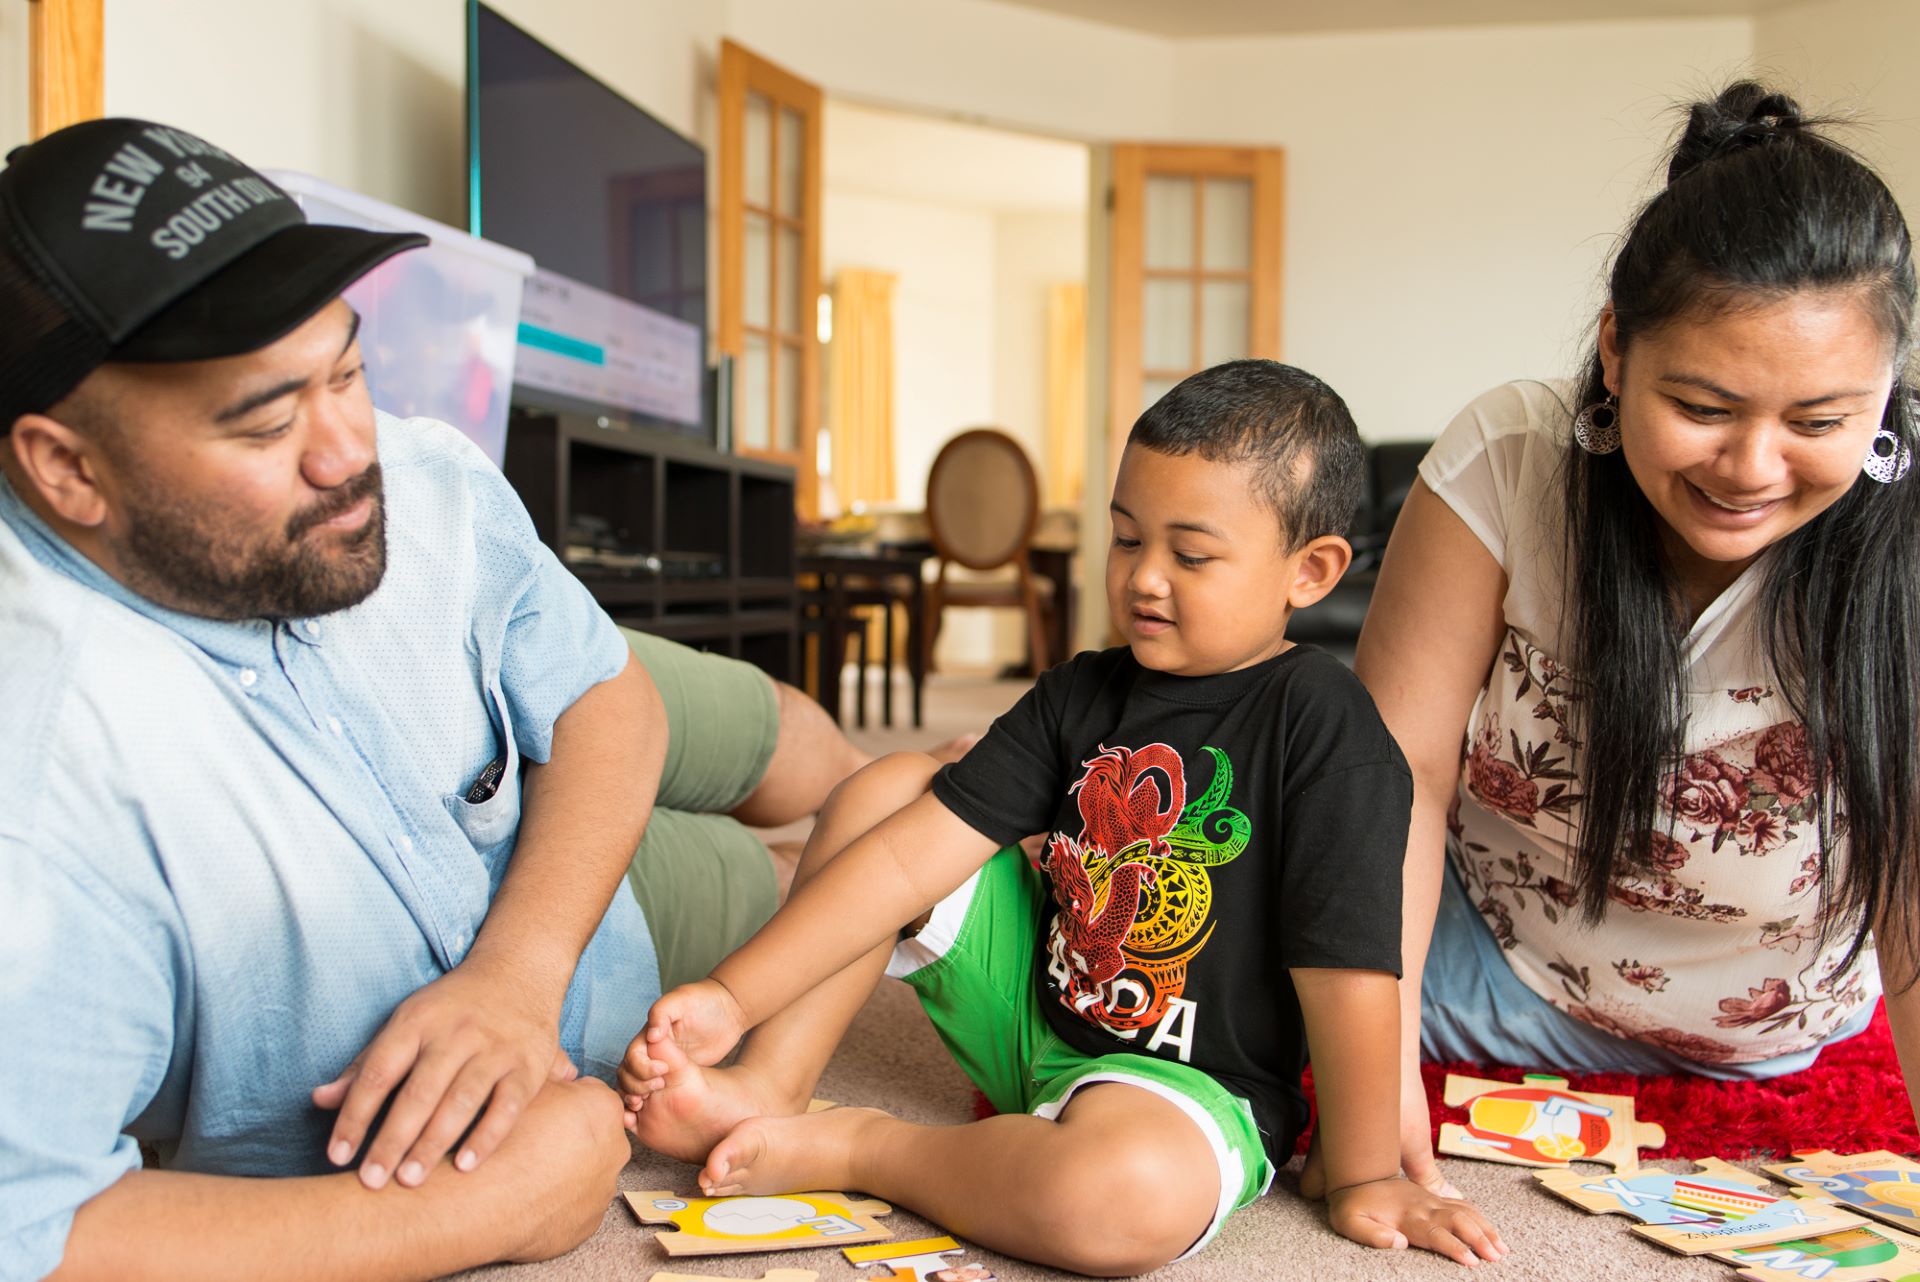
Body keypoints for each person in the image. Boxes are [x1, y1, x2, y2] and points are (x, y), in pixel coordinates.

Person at [0, 118, 873, 1282]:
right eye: (268, 421)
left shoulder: (419, 481)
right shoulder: (39, 782)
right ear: (68, 469)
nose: (349, 450)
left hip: (525, 784)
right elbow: (32, 1233)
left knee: (809, 750)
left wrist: (516, 972)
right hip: (610, 913)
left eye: (348, 370)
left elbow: (605, 703)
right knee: (788, 889)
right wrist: (495, 1204)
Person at [620, 360, 1508, 1274]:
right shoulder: (1081, 689)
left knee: (1119, 1200)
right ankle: (772, 1083)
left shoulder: (1325, 725)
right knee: (889, 789)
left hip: (1187, 1083)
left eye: (1190, 555)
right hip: (1032, 1009)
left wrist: (1362, 1173)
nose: (1145, 580)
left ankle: (855, 1147)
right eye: (1127, 540)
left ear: (1310, 571)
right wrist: (733, 999)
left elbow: (1350, 968)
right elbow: (904, 864)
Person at [1346, 81, 1920, 1201]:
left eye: (1818, 422)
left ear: (1886, 391)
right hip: (1491, 963)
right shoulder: (1514, 458)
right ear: (1614, 349)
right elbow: (1396, 775)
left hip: (1771, 1030)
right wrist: (1370, 1086)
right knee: (1184, 907)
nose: (1752, 468)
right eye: (1703, 406)